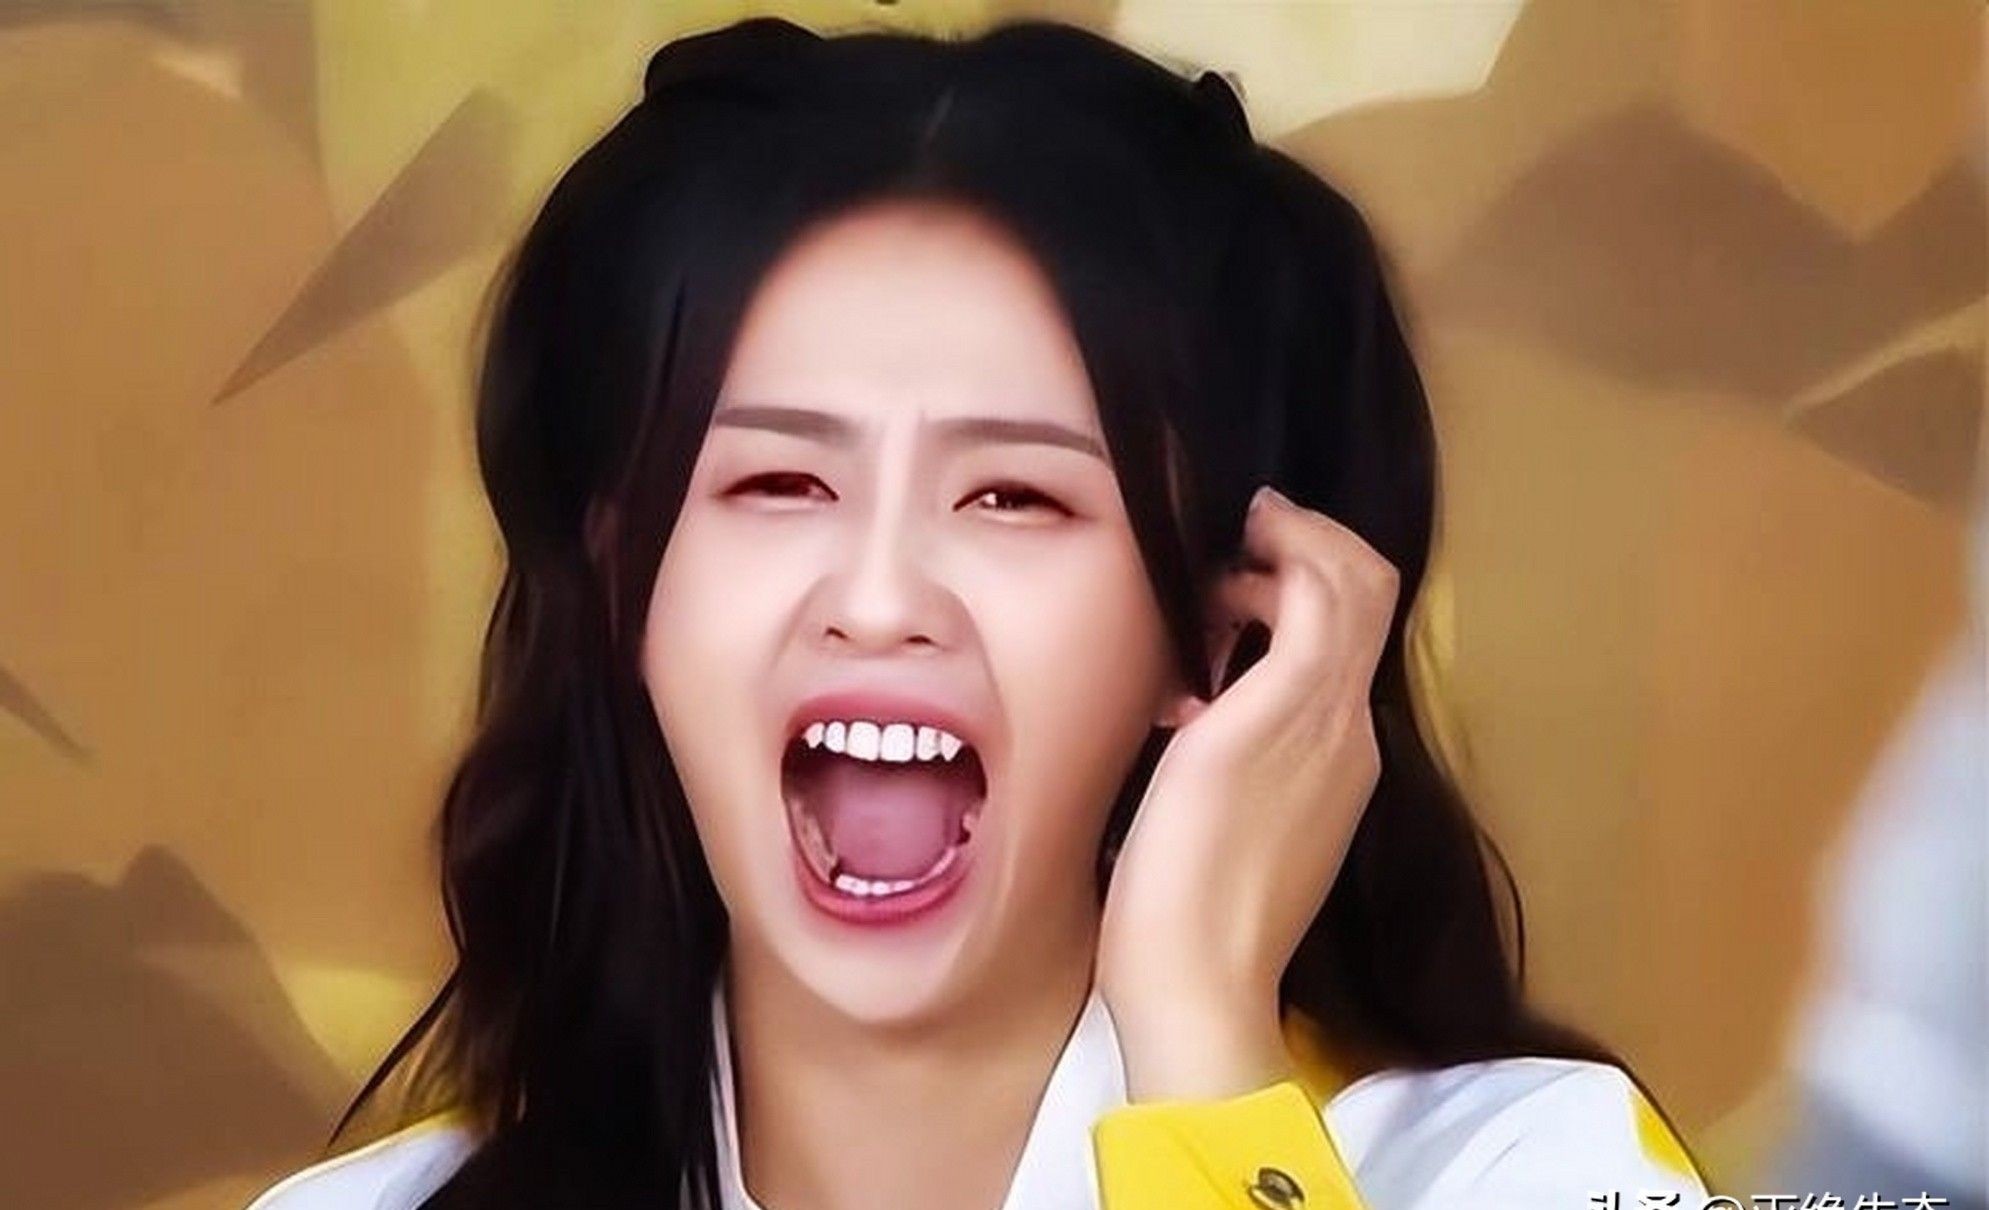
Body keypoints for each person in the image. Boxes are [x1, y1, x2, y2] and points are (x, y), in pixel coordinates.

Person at [246, 16, 1708, 1209]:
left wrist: (1202, 1042)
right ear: (626, 587)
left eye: (1013, 497)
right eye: (778, 483)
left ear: (1220, 636)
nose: (881, 598)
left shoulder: (1532, 1169)